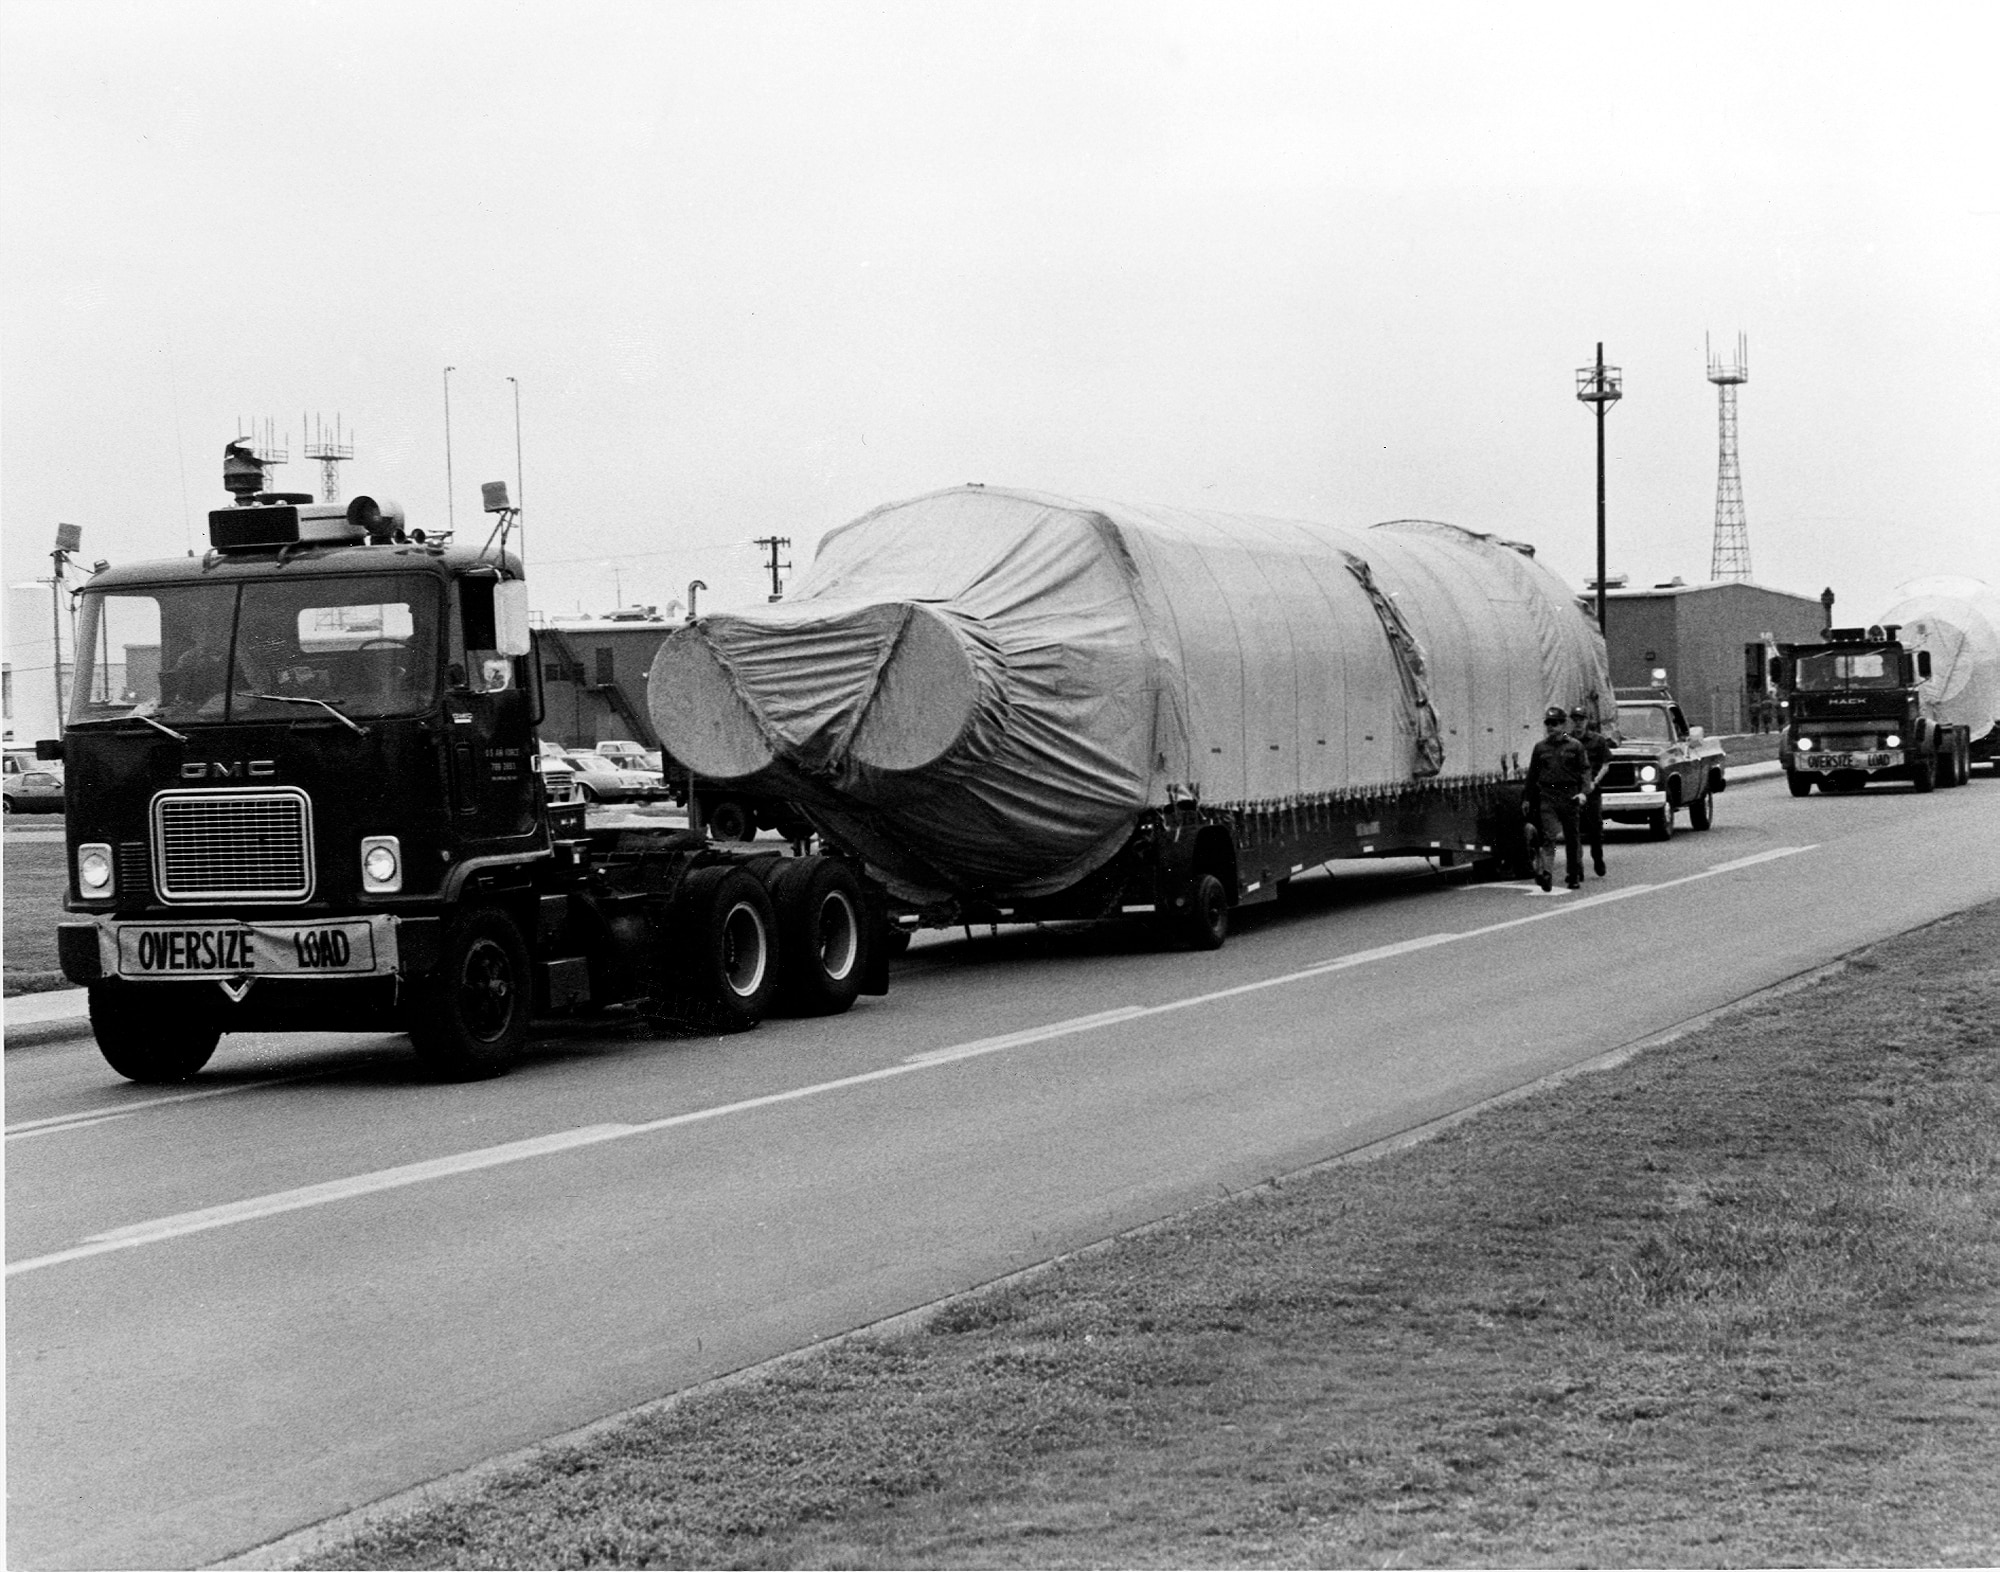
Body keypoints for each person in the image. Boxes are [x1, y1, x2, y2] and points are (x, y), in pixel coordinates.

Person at [1523, 703, 1590, 890]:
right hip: (1548, 795)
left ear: (1563, 725)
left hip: (1570, 795)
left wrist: (1583, 793)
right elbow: (1532, 775)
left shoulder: (1575, 746)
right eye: (1548, 723)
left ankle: (1573, 874)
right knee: (1549, 836)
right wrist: (1527, 798)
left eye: (1555, 723)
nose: (1551, 727)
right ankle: (1547, 874)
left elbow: (1585, 771)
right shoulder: (1540, 748)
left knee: (1572, 837)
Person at [1570, 704, 1613, 878]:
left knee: (1595, 828)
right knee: (1573, 829)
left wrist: (1595, 781)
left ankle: (1597, 858)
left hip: (1592, 790)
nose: (1578, 723)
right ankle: (1577, 866)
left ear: (1587, 721)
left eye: (1581, 719)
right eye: (1575, 720)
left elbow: (1606, 764)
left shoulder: (1598, 740)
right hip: (1573, 790)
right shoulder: (1567, 740)